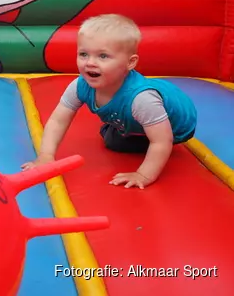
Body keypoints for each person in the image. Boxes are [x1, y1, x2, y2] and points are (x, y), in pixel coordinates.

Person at [21, 14, 197, 189]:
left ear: (130, 62)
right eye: (83, 54)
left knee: (119, 141)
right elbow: (58, 120)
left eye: (103, 56)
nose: (90, 63)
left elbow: (161, 141)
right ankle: (123, 128)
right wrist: (46, 156)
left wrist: (143, 174)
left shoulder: (142, 100)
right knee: (113, 141)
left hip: (177, 127)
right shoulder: (79, 86)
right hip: (138, 118)